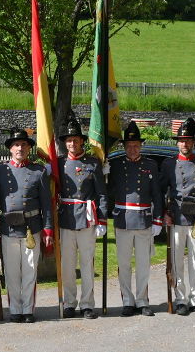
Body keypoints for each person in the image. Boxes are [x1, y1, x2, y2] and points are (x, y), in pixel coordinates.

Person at [0, 128, 54, 323]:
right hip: (9, 228)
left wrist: (47, 229)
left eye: (24, 144)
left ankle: (28, 309)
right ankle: (15, 309)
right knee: (11, 272)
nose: (20, 148)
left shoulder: (38, 171)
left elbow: (46, 203)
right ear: (10, 148)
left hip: (31, 228)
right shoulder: (0, 170)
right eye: (16, 145)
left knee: (29, 270)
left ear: (29, 148)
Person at [158, 118, 195, 316]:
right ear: (177, 143)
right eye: (181, 140)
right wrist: (163, 214)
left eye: (188, 140)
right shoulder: (168, 164)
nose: (185, 144)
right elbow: (160, 191)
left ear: (194, 142)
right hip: (176, 217)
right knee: (177, 261)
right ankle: (180, 298)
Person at [56, 114, 108, 320]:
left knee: (87, 263)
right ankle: (69, 303)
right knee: (68, 265)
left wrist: (102, 220)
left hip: (87, 219)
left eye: (76, 139)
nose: (72, 143)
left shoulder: (93, 164)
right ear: (65, 142)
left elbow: (102, 194)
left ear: (82, 142)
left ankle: (87, 304)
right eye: (69, 140)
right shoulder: (58, 164)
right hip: (66, 219)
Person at [110, 121, 163, 317]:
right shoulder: (115, 165)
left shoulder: (150, 165)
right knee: (124, 264)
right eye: (129, 146)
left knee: (143, 264)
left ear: (140, 146)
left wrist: (157, 220)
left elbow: (157, 194)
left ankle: (142, 300)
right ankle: (127, 300)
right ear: (124, 147)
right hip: (123, 220)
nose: (132, 149)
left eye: (136, 145)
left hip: (143, 220)